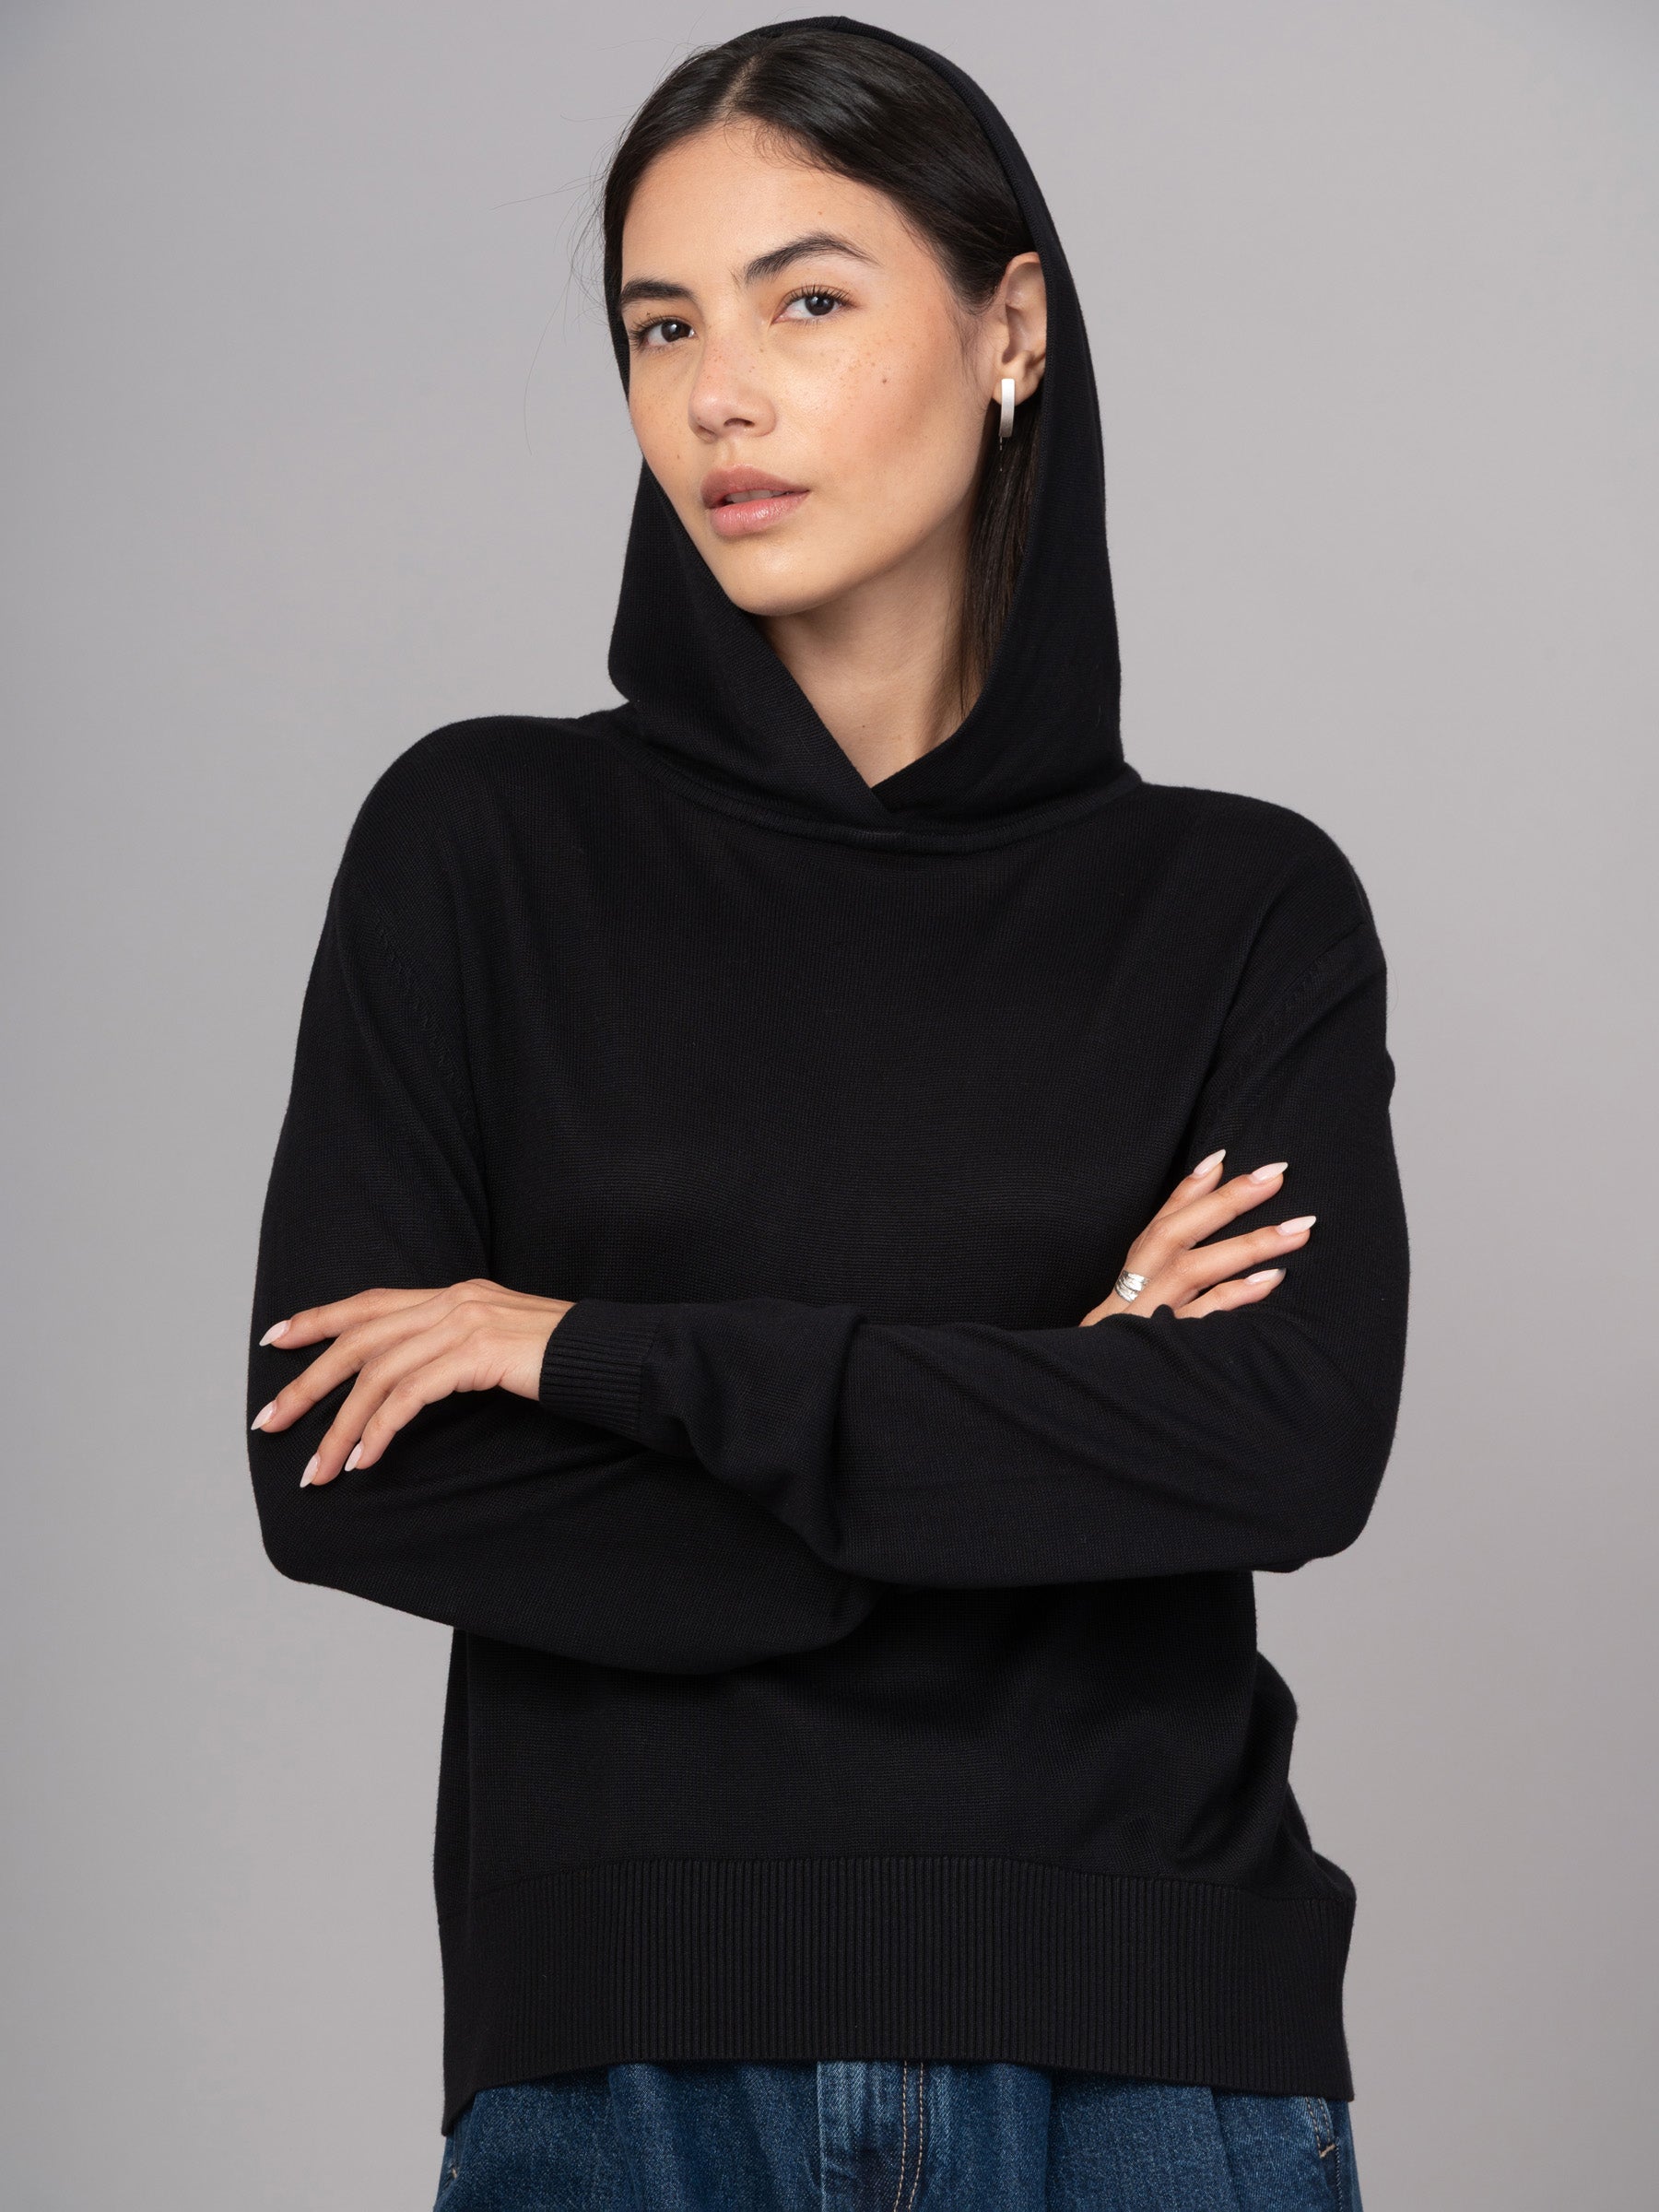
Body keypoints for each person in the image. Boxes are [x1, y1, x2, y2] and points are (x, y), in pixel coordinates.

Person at [245, 17, 1404, 2208]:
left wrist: (596, 1357)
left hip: (1150, 2067)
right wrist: (1046, 1415)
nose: (718, 395)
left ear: (1010, 329)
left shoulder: (1240, 905)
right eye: (660, 325)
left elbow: (1286, 1447)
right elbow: (345, 1470)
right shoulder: (480, 846)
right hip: (625, 2071)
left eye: (804, 300)